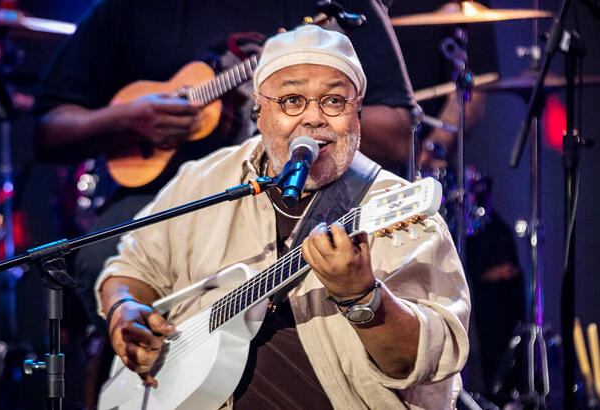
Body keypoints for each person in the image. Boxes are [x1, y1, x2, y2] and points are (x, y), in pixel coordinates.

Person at [96, 25, 470, 409]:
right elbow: (131, 268)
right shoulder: (205, 179)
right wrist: (124, 310)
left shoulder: (394, 208)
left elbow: (422, 362)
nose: (313, 118)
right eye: (292, 100)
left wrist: (361, 296)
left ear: (357, 110)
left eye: (334, 101)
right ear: (259, 111)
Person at [32, 0, 415, 339]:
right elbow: (49, 129)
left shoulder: (334, 6)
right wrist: (128, 122)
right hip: (164, 197)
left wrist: (314, 108)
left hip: (312, 190)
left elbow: (399, 131)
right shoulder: (132, 9)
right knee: (103, 256)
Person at [388, 1, 525, 399]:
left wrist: (434, 145)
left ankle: (500, 393)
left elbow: (472, 94)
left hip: (424, 165)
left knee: (492, 242)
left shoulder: (461, 12)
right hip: (366, 161)